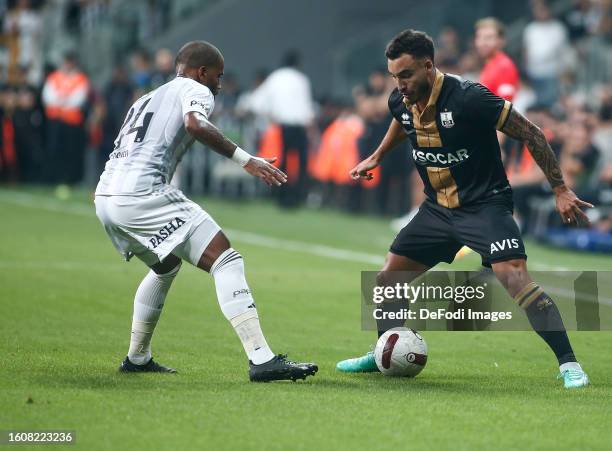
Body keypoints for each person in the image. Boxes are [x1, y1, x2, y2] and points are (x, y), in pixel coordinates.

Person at [336, 30, 592, 389]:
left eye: (406, 75)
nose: (400, 84)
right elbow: (401, 119)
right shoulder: (402, 98)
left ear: (429, 65)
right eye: (394, 76)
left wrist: (560, 189)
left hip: (485, 206)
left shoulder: (470, 98)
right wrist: (377, 156)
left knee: (515, 278)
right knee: (388, 279)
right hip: (437, 209)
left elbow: (532, 133)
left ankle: (569, 365)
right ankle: (385, 350)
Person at [94, 41, 317, 382]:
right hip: (143, 193)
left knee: (166, 266)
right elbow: (196, 125)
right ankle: (262, 359)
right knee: (226, 259)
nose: (220, 83)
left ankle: (138, 358)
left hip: (107, 196)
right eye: (218, 75)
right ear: (201, 72)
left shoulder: (146, 98)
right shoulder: (195, 89)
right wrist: (248, 160)